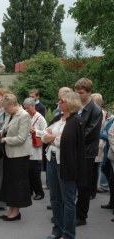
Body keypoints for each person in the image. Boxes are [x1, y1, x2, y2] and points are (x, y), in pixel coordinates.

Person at [43, 91, 86, 239]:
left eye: (62, 101)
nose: (59, 103)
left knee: (68, 201)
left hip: (66, 164)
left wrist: (51, 137)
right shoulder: (57, 118)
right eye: (59, 100)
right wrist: (52, 138)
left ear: (70, 103)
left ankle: (68, 234)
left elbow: (66, 142)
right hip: (52, 160)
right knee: (55, 198)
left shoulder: (76, 121)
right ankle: (57, 230)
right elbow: (43, 135)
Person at [0, 93, 32, 221]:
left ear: (14, 104)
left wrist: (4, 140)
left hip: (19, 155)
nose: (5, 110)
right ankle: (11, 209)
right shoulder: (10, 114)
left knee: (17, 184)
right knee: (9, 183)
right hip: (9, 154)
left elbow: (21, 138)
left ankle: (16, 211)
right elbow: (5, 129)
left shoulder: (24, 115)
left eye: (6, 107)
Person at [74, 78, 102, 227]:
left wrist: (70, 138)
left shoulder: (96, 110)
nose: (78, 95)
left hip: (87, 152)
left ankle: (81, 216)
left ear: (89, 92)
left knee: (84, 186)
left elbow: (89, 133)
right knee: (74, 183)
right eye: (77, 92)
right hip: (76, 150)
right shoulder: (78, 106)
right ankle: (73, 213)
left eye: (82, 92)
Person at [23, 97, 47, 200]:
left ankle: (39, 192)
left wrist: (35, 131)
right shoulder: (25, 116)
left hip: (35, 149)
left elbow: (46, 132)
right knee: (27, 171)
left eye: (28, 108)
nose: (26, 110)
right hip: (26, 147)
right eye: (25, 108)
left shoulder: (40, 117)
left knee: (34, 172)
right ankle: (30, 191)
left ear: (33, 106)